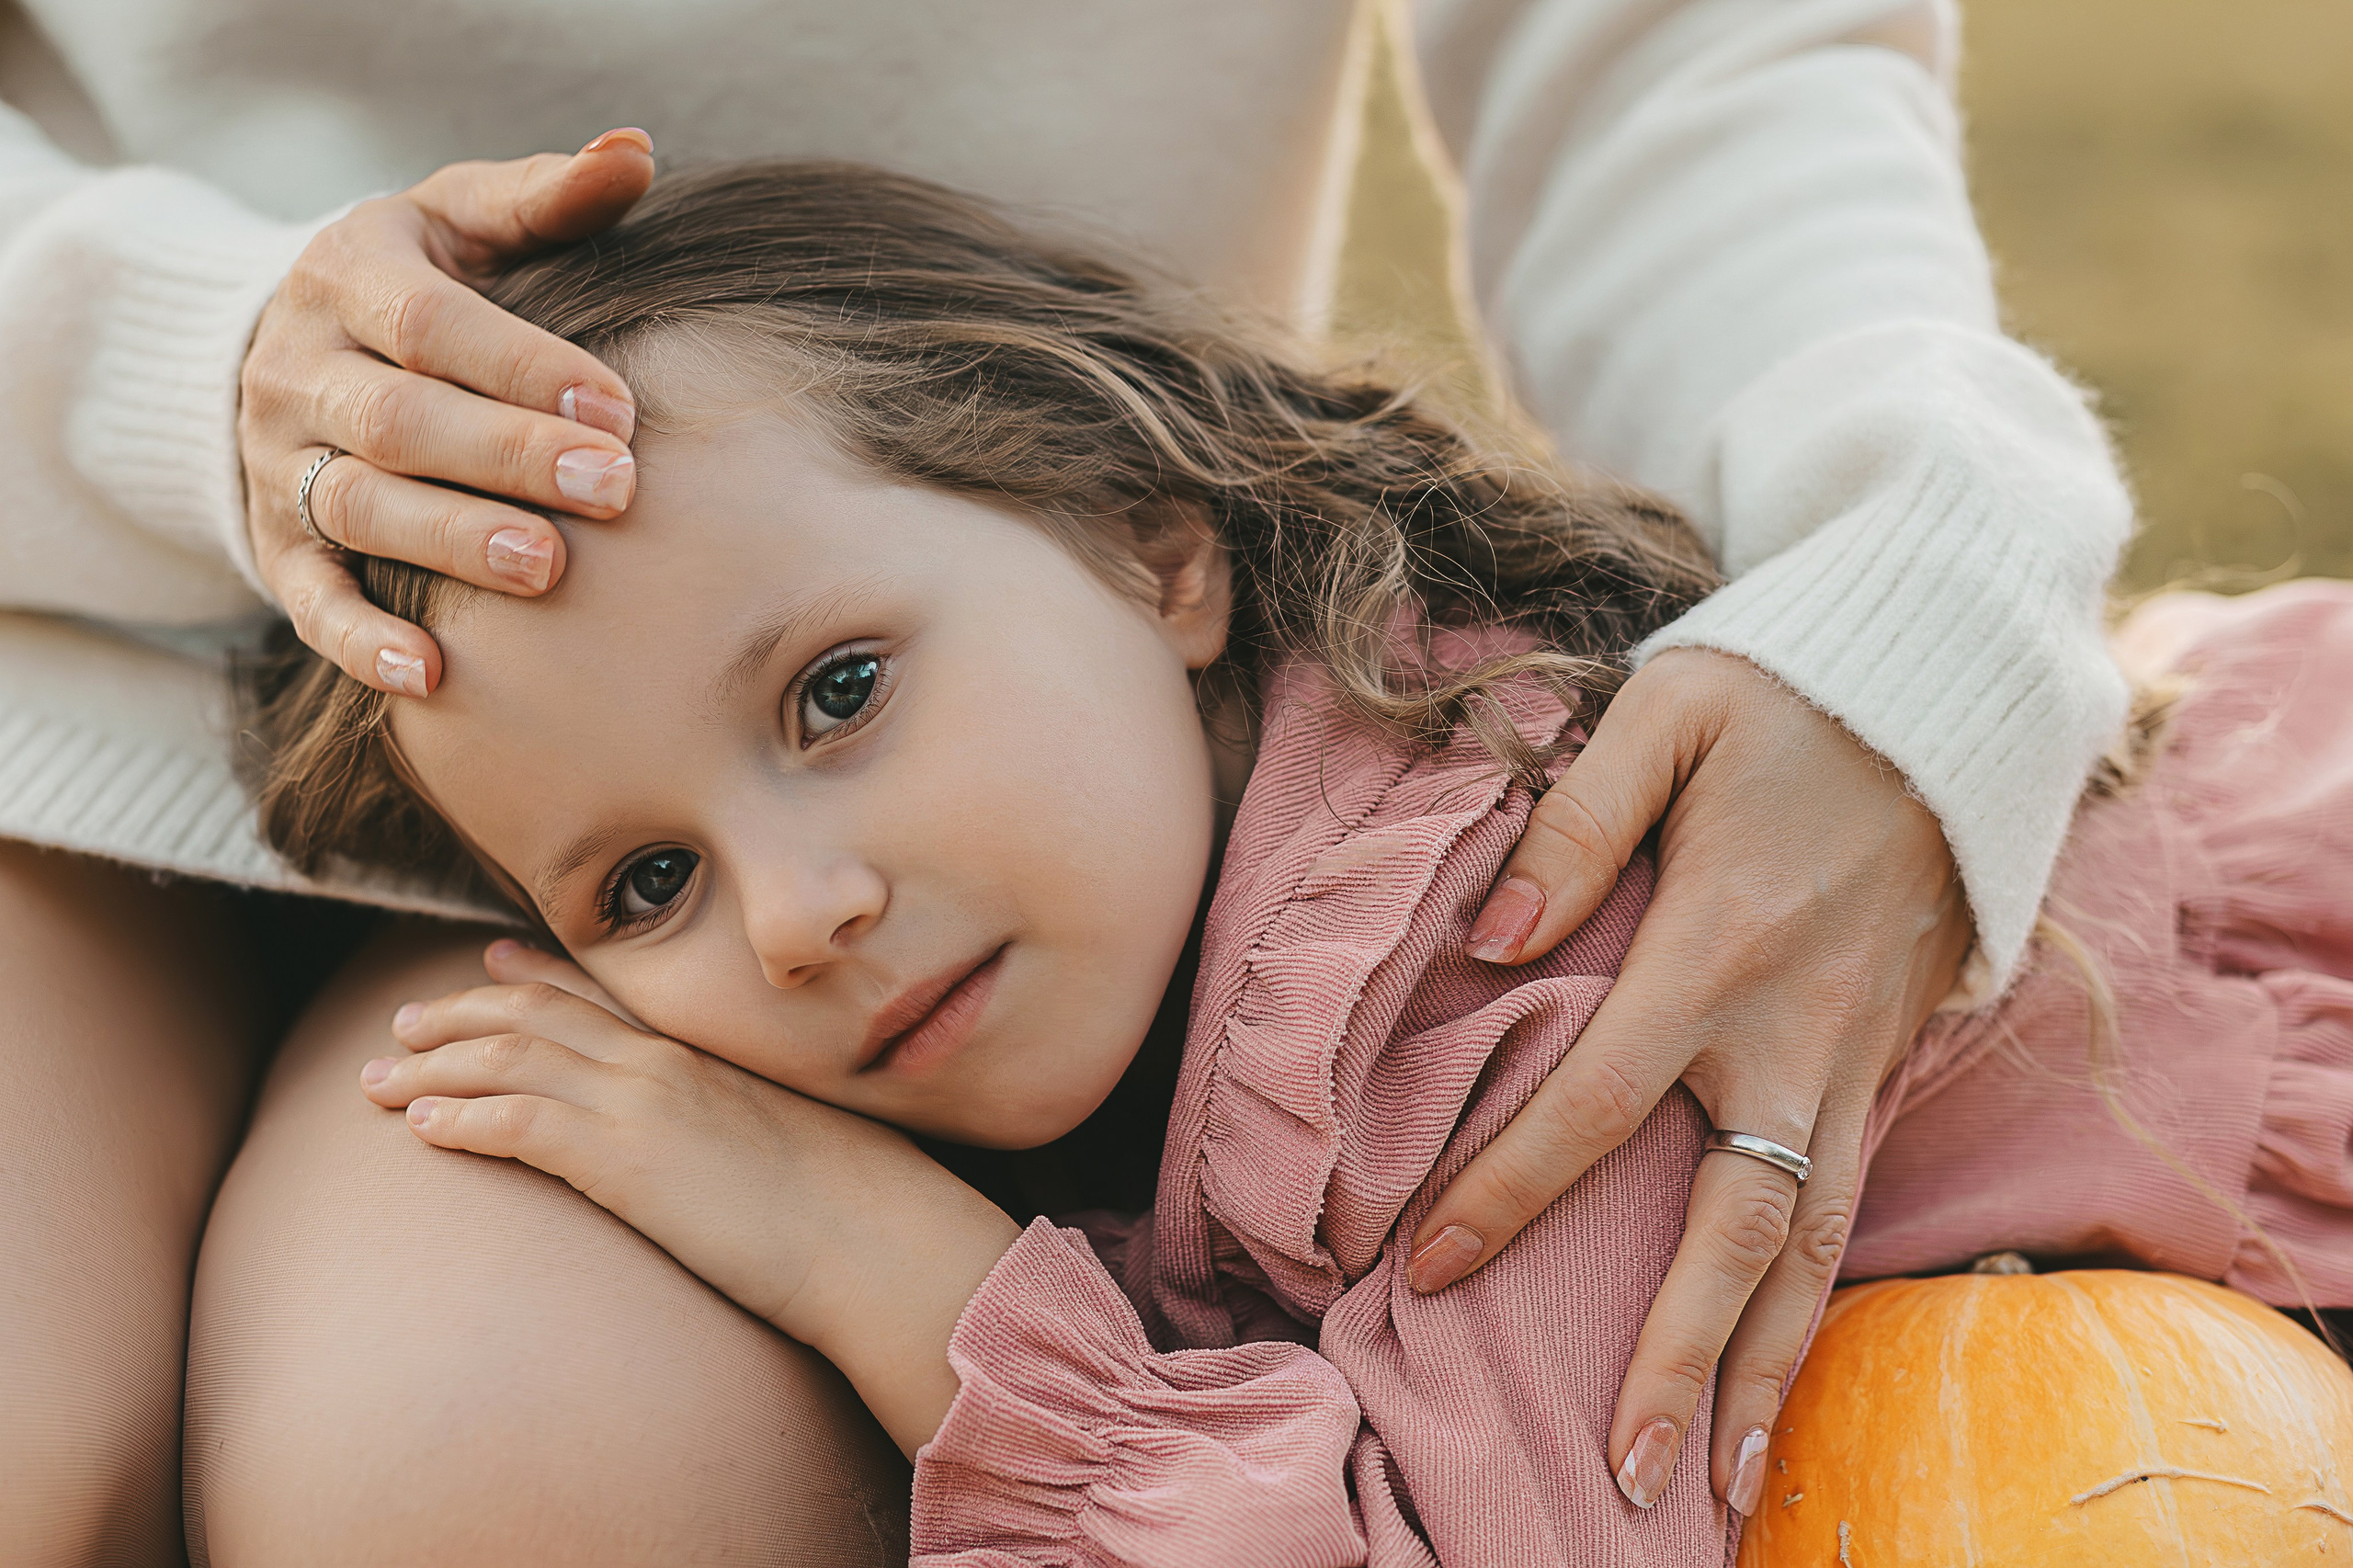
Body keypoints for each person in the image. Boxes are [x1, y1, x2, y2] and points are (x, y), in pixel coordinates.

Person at [0, 3, 2132, 1562]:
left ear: (1157, 545)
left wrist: (1909, 574)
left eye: (838, 693)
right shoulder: (976, 851)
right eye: (651, 886)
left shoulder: (1471, 957)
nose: (796, 915)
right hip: (64, 651)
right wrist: (168, 356)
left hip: (938, 493)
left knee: (477, 1482)